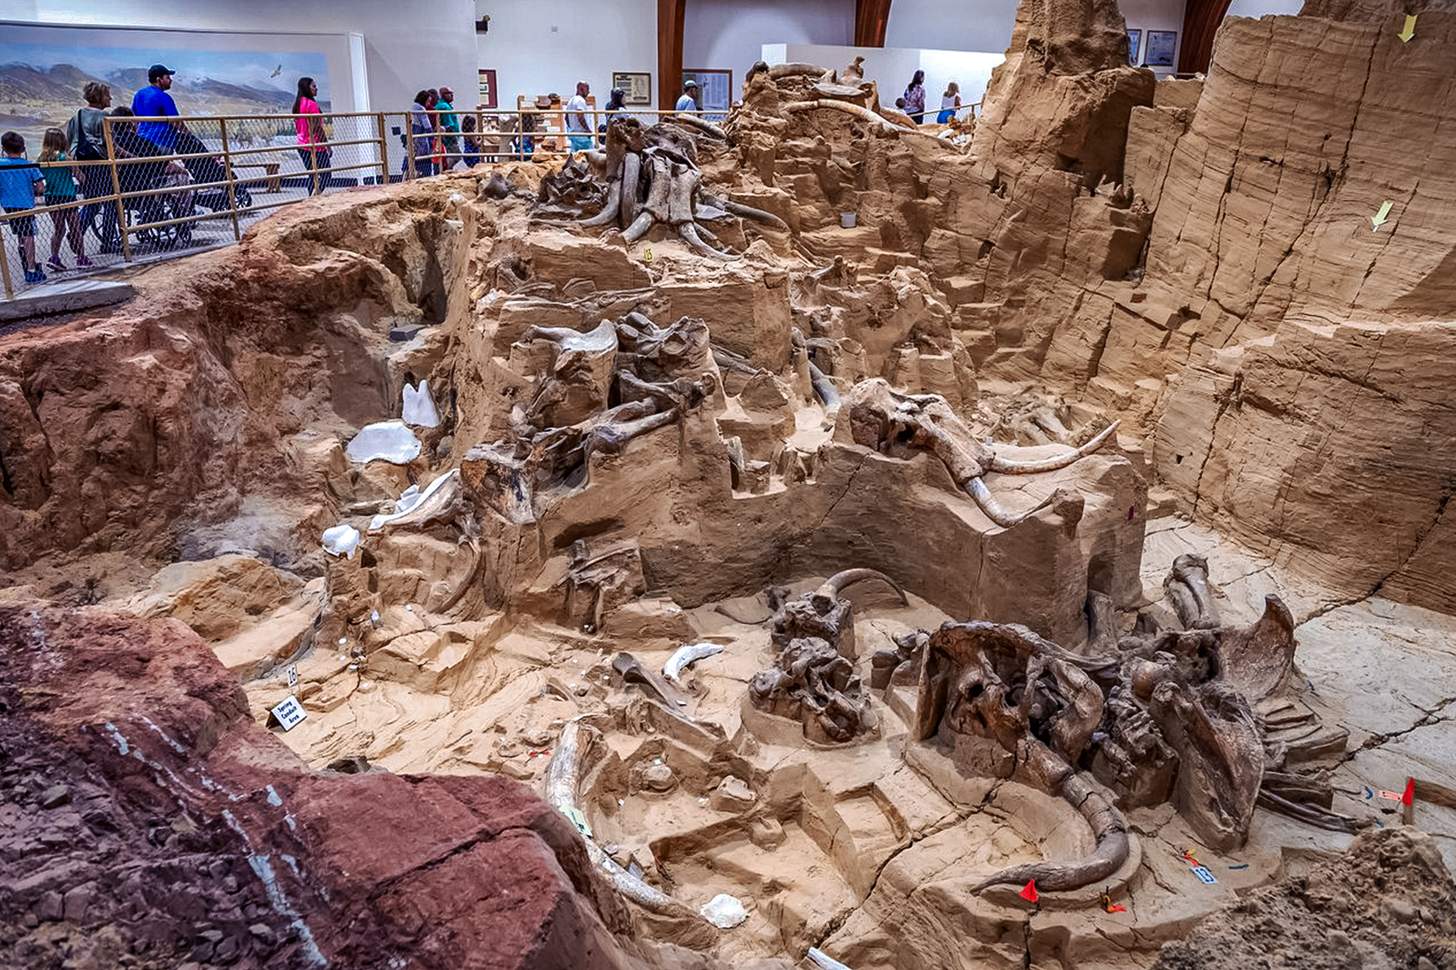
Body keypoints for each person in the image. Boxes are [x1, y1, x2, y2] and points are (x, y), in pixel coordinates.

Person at [66, 81, 119, 253]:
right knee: (111, 203)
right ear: (100, 97)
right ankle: (108, 241)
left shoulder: (77, 116)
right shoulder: (104, 117)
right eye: (107, 95)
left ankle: (77, 230)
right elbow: (111, 144)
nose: (110, 98)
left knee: (92, 202)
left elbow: (69, 143)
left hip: (83, 165)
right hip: (101, 164)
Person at [0, 131, 46, 283]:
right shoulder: (29, 165)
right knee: (28, 236)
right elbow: (40, 187)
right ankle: (31, 268)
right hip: (25, 204)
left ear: (3, 148)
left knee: (20, 233)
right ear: (23, 149)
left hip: (8, 204)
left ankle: (25, 262)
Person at [39, 127, 86, 272]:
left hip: (51, 196)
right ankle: (81, 257)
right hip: (67, 195)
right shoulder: (65, 158)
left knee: (58, 229)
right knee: (75, 229)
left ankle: (54, 257)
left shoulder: (42, 158)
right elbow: (80, 177)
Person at [131, 64, 184, 150]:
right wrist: (188, 134)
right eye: (167, 77)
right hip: (161, 142)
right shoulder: (163, 97)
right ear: (158, 79)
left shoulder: (139, 94)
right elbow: (176, 122)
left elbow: (133, 117)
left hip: (142, 142)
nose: (171, 80)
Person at [293, 76, 329, 195]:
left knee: (312, 175)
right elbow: (317, 126)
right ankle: (315, 196)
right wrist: (327, 145)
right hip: (315, 145)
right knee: (326, 174)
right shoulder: (311, 104)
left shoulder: (297, 105)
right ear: (307, 88)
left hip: (302, 145)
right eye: (313, 86)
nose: (316, 89)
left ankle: (311, 197)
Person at [406, 90, 436, 177]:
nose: (429, 104)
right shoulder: (421, 109)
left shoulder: (413, 107)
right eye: (428, 101)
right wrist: (431, 137)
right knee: (424, 160)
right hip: (421, 138)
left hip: (413, 135)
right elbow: (427, 125)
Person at [564, 81, 593, 154]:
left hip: (573, 134)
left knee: (575, 156)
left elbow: (566, 118)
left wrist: (572, 128)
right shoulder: (580, 100)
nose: (588, 92)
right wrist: (588, 130)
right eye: (587, 89)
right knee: (589, 155)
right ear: (581, 89)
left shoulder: (571, 100)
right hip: (581, 134)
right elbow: (580, 116)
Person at [436, 86, 461, 166]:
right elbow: (449, 124)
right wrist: (453, 137)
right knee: (456, 156)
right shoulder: (444, 107)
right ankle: (447, 169)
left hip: (448, 136)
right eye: (449, 93)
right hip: (449, 136)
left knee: (453, 155)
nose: (452, 95)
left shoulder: (444, 105)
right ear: (443, 95)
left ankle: (447, 168)